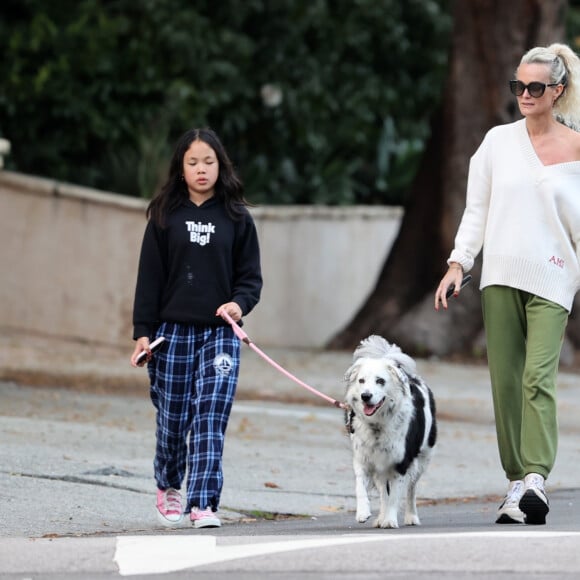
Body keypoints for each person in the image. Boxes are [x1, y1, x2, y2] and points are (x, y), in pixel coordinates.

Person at [434, 43, 580, 526]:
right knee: (505, 382)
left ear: (557, 91)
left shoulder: (578, 148)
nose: (525, 94)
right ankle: (515, 482)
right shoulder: (496, 142)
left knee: (537, 377)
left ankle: (536, 475)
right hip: (498, 275)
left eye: (535, 87)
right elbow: (476, 209)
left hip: (554, 276)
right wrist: (459, 264)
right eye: (518, 85)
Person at [130, 127, 262, 528]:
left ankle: (202, 502)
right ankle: (169, 485)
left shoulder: (237, 218)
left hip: (219, 335)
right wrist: (143, 332)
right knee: (172, 419)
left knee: (210, 415)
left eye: (209, 161)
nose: (202, 169)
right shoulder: (165, 216)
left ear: (220, 166)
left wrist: (238, 306)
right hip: (172, 336)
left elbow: (250, 280)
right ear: (180, 168)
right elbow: (149, 280)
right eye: (193, 162)